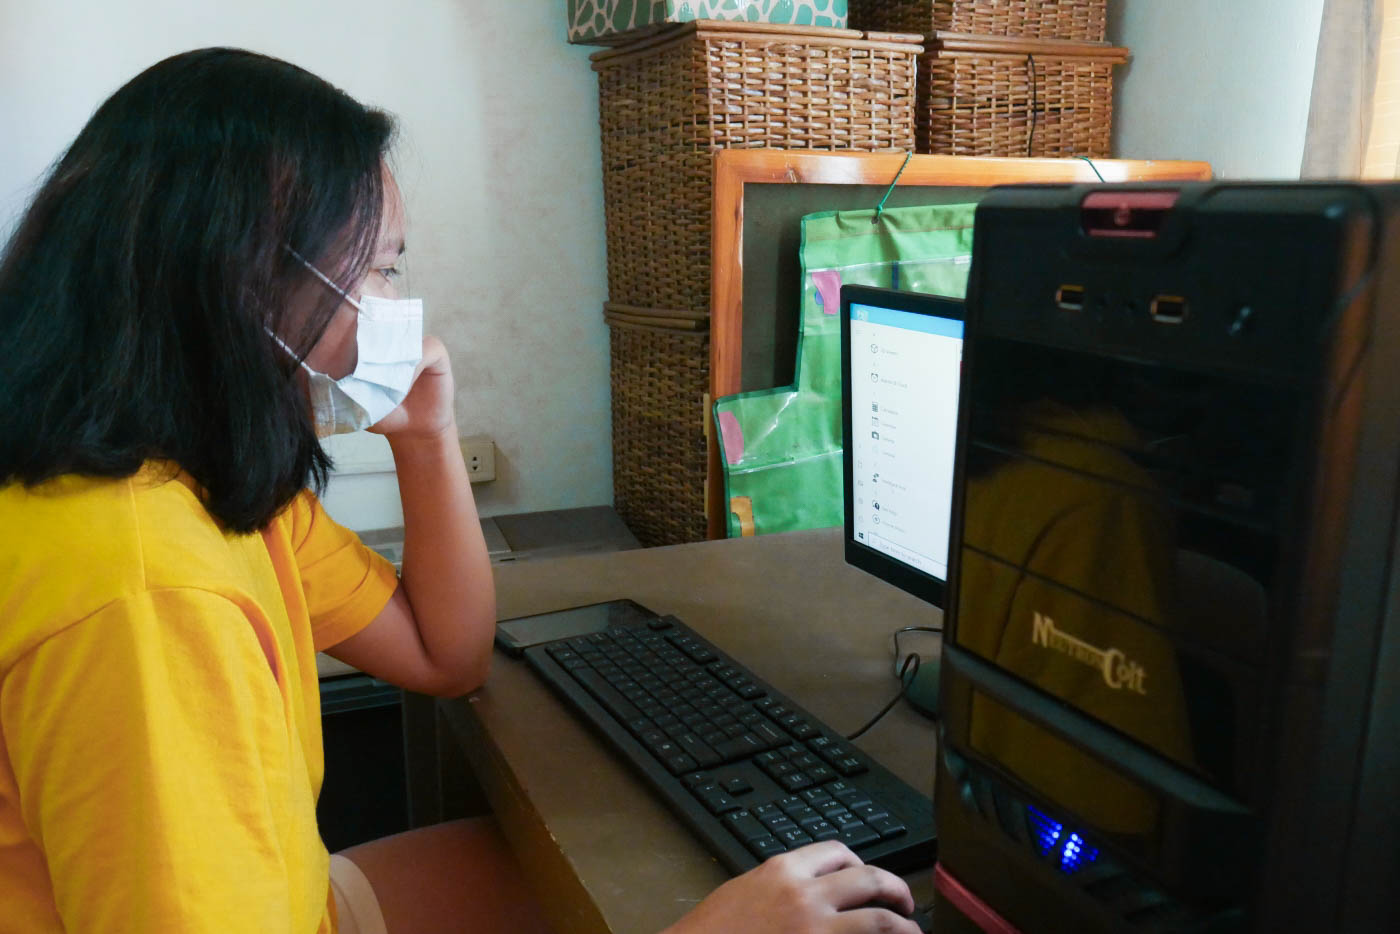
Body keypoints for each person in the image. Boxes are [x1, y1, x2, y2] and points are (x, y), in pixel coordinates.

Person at [0, 48, 922, 934]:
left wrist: (427, 436)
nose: (390, 301)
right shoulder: (149, 593)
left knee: (602, 882)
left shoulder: (197, 473)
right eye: (378, 267)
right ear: (242, 277)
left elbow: (447, 655)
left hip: (279, 899)